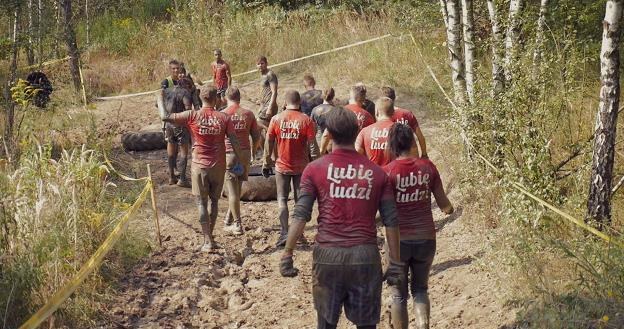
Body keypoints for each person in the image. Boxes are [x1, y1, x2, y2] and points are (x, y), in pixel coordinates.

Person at [278, 107, 404, 329]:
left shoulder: (314, 169)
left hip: (327, 258)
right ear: (358, 132)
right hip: (365, 258)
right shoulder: (377, 173)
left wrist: (288, 253)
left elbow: (301, 214)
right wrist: (394, 263)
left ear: (328, 133)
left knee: (326, 324)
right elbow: (391, 221)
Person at [383, 123, 454, 329]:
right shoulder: (428, 167)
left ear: (392, 146)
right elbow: (444, 205)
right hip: (426, 239)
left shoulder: (387, 173)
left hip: (398, 242)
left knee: (398, 295)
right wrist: (450, 210)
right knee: (420, 290)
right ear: (413, 143)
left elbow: (380, 212)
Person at [160, 85, 243, 252]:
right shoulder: (224, 117)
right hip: (218, 166)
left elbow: (165, 117)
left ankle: (207, 241)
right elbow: (234, 141)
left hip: (199, 166)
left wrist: (158, 99)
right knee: (214, 202)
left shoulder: (192, 115)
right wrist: (241, 161)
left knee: (201, 203)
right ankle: (210, 238)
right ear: (216, 99)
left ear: (201, 98)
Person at [262, 89, 319, 247]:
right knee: (299, 202)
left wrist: (266, 162)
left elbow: (268, 143)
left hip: (281, 166)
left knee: (282, 200)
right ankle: (298, 234)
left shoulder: (276, 119)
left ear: (285, 103)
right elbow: (313, 147)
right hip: (301, 167)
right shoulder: (306, 120)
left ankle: (284, 233)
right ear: (299, 103)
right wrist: (317, 165)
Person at [222, 86, 261, 235]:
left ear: (226, 98)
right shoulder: (248, 114)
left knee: (232, 192)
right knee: (237, 190)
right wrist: (252, 151)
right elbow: (256, 137)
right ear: (239, 98)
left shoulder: (223, 114)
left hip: (229, 155)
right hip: (244, 155)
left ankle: (237, 225)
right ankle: (228, 220)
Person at [162, 78, 194, 187]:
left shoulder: (168, 91)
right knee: (184, 153)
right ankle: (182, 179)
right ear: (187, 86)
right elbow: (188, 108)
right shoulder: (185, 92)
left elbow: (158, 105)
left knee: (170, 151)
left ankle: (171, 177)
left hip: (169, 124)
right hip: (181, 125)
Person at [381, 86, 428, 159]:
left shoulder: (381, 118)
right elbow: (420, 136)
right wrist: (424, 154)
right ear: (395, 97)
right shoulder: (407, 114)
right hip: (411, 154)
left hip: (392, 156)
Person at [355, 97, 395, 166]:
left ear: (376, 112)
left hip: (373, 174)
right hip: (394, 174)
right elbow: (413, 155)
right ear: (393, 112)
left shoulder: (365, 131)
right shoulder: (402, 130)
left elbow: (357, 150)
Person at [256, 56, 278, 157]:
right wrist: (260, 100)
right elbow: (265, 91)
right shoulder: (262, 75)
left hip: (269, 107)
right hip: (263, 106)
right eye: (258, 64)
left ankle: (269, 155)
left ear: (266, 63)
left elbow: (274, 92)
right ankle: (271, 155)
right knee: (268, 131)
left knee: (257, 128)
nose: (260, 65)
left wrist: (269, 107)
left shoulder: (270, 75)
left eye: (262, 63)